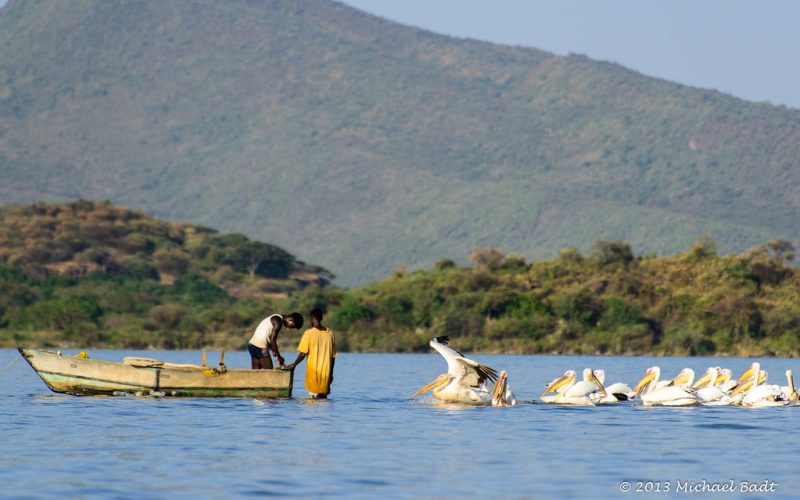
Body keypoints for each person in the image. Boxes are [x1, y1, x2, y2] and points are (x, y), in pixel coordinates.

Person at [287, 308, 336, 399]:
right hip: (326, 373)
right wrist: (331, 374)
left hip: (313, 373)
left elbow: (303, 354)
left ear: (311, 319)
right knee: (323, 400)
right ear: (321, 318)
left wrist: (294, 364)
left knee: (314, 401)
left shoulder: (308, 333)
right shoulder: (330, 334)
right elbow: (333, 357)